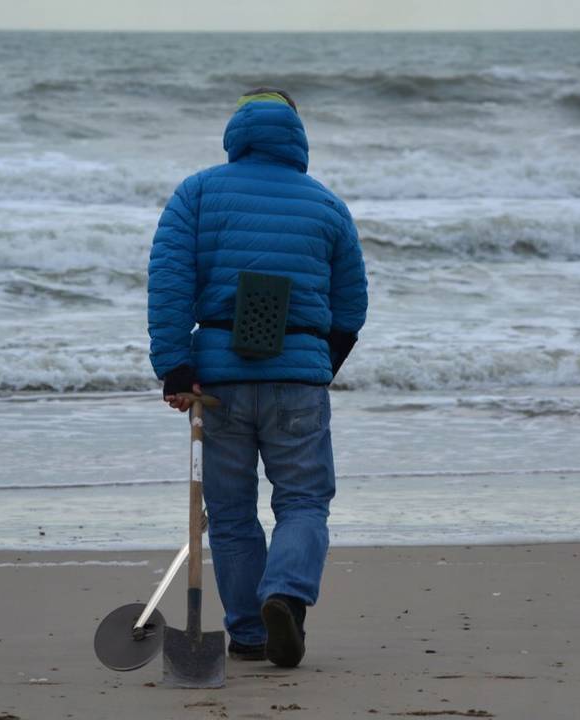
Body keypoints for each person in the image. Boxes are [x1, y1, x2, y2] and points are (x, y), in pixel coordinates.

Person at [147, 87, 368, 668]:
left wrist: (175, 369)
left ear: (236, 133)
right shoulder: (327, 206)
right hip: (298, 378)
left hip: (218, 381)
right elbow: (351, 308)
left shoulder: (195, 195)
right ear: (297, 134)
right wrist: (321, 364)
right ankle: (286, 596)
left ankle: (247, 632)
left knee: (231, 511)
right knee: (302, 500)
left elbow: (169, 284)